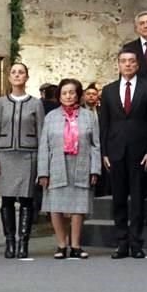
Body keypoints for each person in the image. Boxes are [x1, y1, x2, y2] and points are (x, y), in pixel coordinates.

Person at [99, 49, 147, 259]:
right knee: (118, 199)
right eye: (123, 61)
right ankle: (121, 243)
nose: (127, 64)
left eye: (131, 61)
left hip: (140, 151)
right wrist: (104, 152)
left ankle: (136, 242)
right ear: (118, 65)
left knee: (138, 199)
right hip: (115, 151)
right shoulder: (108, 90)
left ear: (137, 65)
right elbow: (104, 124)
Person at [37, 78, 102, 260]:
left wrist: (95, 169)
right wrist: (43, 172)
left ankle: (75, 245)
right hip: (56, 164)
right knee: (55, 206)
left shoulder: (88, 116)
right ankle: (61, 244)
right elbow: (44, 146)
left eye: (72, 92)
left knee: (78, 207)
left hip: (81, 163)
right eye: (64, 93)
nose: (68, 96)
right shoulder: (51, 117)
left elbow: (96, 144)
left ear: (78, 95)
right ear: (59, 96)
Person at [0, 62, 46, 259]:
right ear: (9, 77)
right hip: (6, 155)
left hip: (28, 155)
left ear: (27, 77)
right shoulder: (0, 102)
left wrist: (42, 162)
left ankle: (24, 242)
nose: (17, 75)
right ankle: (9, 241)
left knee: (27, 200)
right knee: (7, 199)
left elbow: (42, 133)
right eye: (13, 72)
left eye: (21, 72)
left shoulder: (36, 103)